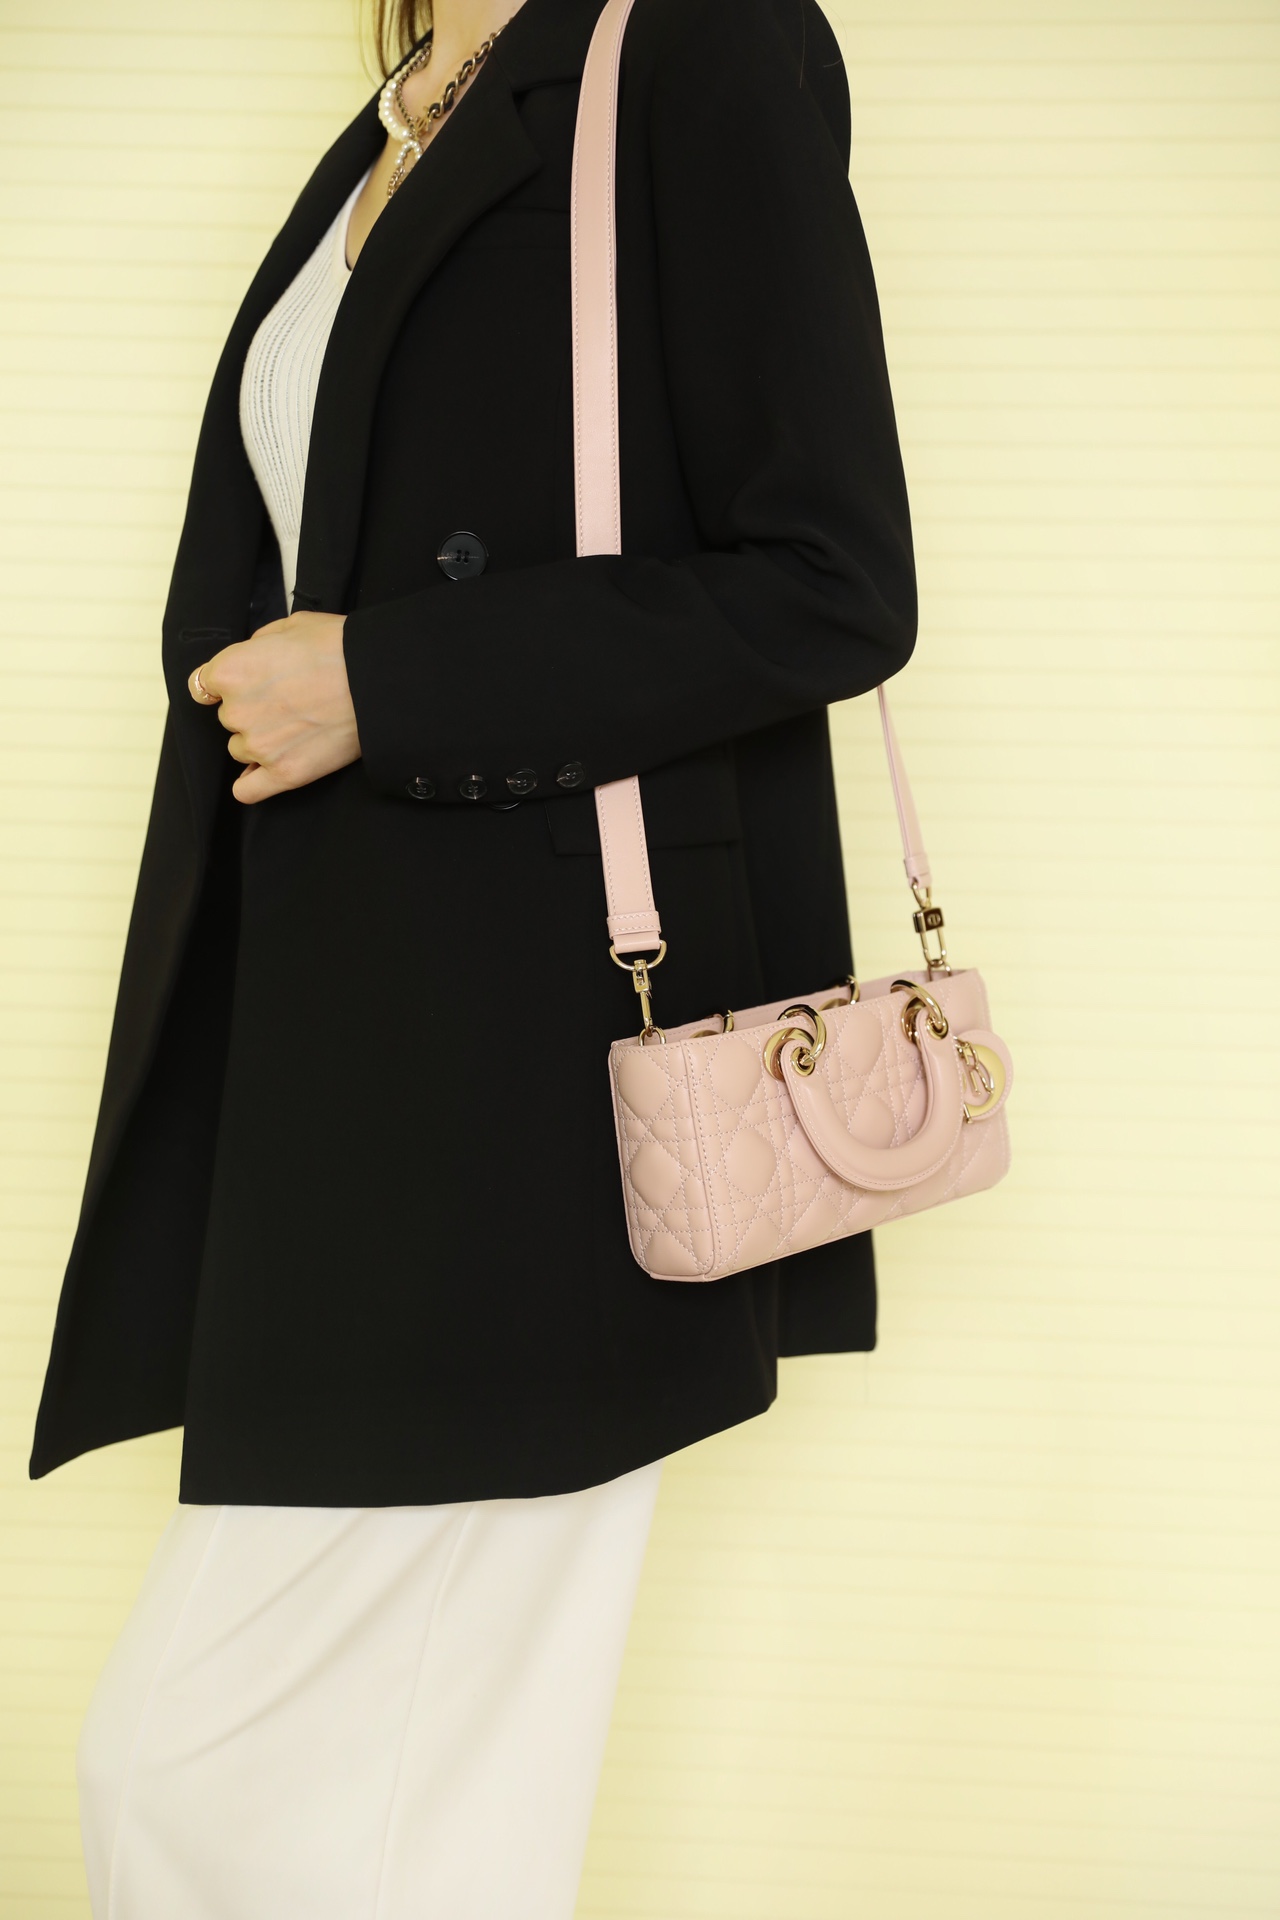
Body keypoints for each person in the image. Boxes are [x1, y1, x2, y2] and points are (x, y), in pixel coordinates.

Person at [29, 0, 917, 1910]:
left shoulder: (696, 46)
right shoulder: (401, 108)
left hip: (537, 1093)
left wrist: (391, 678)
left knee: (200, 1777)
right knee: (415, 1827)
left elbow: (834, 579)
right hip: (337, 1083)